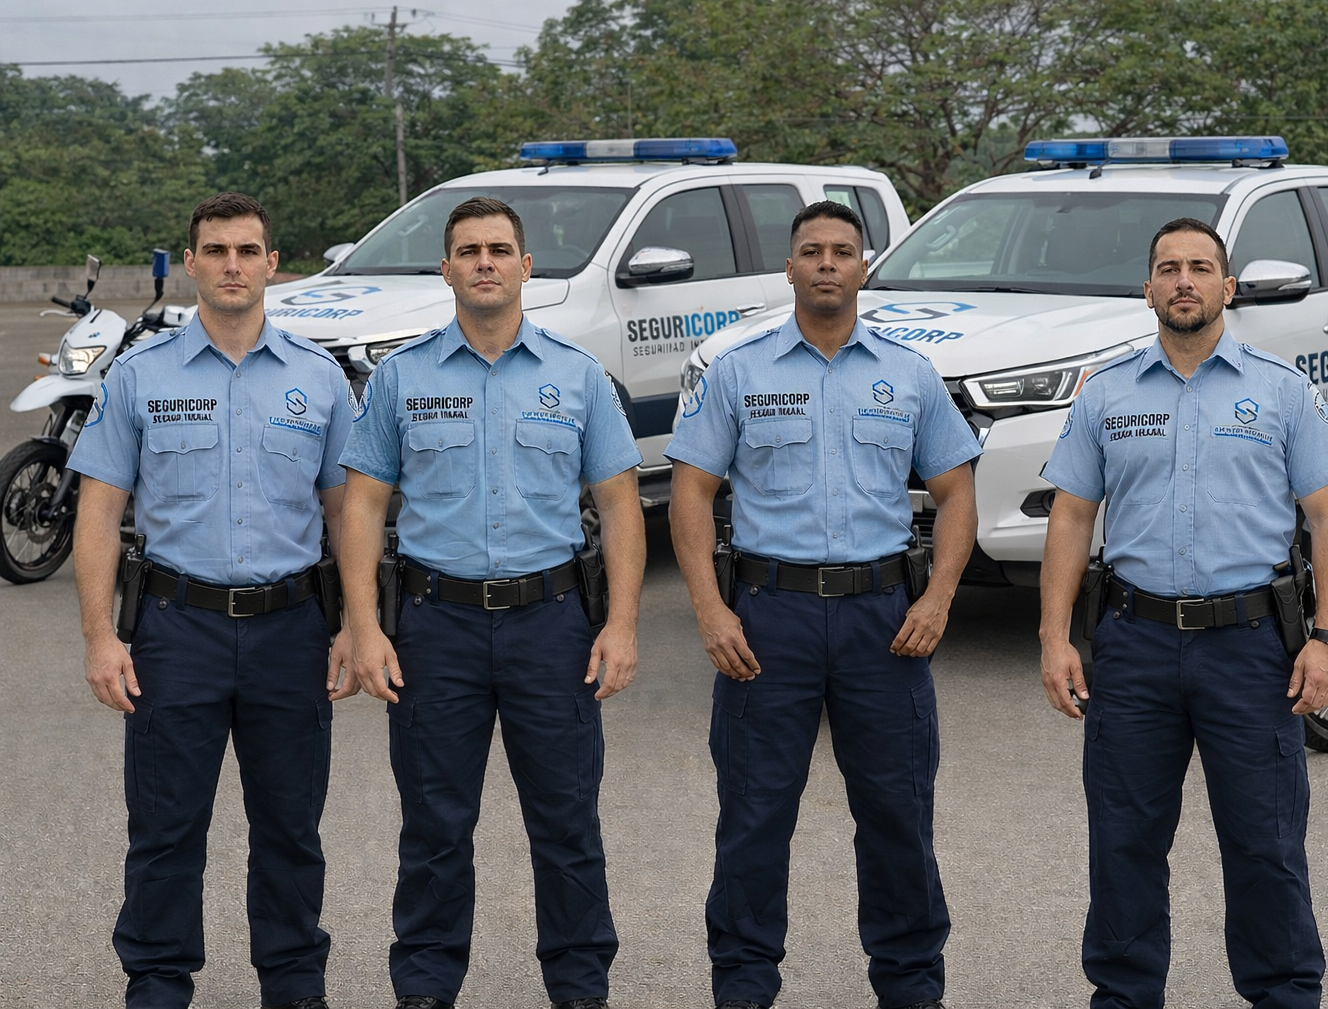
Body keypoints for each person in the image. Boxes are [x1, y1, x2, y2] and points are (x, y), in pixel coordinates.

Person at [1037, 217, 1328, 1009]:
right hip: (1133, 645)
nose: (1184, 280)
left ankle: (1285, 995)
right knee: (1124, 843)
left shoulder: (1281, 390)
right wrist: (1054, 637)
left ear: (1228, 286)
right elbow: (1072, 517)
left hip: (1251, 649)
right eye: (1168, 268)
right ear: (1147, 288)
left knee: (1265, 845)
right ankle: (1123, 996)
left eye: (1200, 267)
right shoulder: (1106, 393)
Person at [667, 200, 982, 1009]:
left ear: (863, 266)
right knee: (754, 818)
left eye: (843, 251)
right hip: (770, 619)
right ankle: (742, 987)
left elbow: (955, 490)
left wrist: (940, 599)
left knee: (897, 817)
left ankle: (911, 987)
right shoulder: (740, 370)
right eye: (812, 251)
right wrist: (709, 609)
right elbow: (691, 492)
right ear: (791, 268)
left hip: (884, 622)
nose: (828, 264)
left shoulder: (908, 374)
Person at [339, 196, 645, 1009]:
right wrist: (364, 625)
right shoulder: (401, 377)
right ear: (445, 269)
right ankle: (426, 988)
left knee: (568, 824)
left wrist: (619, 623)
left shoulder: (576, 376)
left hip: (552, 624)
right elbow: (363, 503)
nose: (485, 262)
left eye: (499, 249)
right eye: (468, 250)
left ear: (524, 267)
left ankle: (580, 987)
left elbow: (618, 504)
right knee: (436, 828)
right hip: (435, 625)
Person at [70, 191, 356, 1009]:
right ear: (190, 262)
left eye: (248, 250)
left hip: (291, 632)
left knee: (291, 833)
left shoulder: (320, 377)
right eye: (217, 250)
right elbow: (98, 512)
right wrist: (99, 636)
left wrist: (354, 626)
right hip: (175, 630)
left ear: (273, 263)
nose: (233, 264)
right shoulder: (139, 376)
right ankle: (158, 984)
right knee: (165, 833)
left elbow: (347, 514)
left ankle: (295, 984)